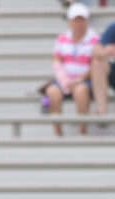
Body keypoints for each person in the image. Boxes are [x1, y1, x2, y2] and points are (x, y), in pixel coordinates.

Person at [45, 2, 100, 136]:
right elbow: (56, 60)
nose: (79, 24)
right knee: (52, 91)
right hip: (64, 79)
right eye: (76, 20)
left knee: (81, 90)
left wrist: (79, 80)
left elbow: (96, 65)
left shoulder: (95, 39)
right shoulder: (62, 38)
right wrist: (65, 81)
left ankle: (82, 131)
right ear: (70, 22)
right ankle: (58, 133)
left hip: (84, 79)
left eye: (82, 20)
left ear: (87, 21)